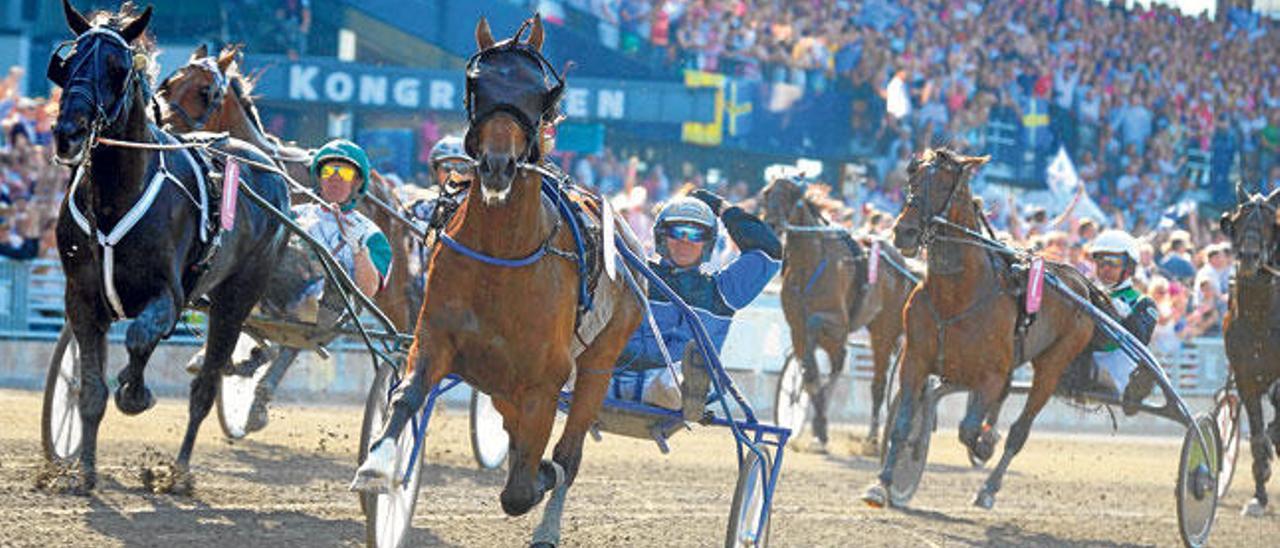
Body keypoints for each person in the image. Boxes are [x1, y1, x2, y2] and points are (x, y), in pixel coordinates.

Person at [609, 188, 781, 420]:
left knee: (676, 382)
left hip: (672, 388)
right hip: (609, 375)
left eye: (696, 234)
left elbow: (769, 251)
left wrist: (722, 209)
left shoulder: (722, 291)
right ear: (661, 235)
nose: (685, 241)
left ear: (708, 243)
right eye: (677, 231)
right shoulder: (633, 272)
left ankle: (690, 388)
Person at [1087, 229, 1159, 414]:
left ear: (1129, 267)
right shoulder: (1086, 295)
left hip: (1122, 382)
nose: (1105, 269)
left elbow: (1139, 341)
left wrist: (1122, 316)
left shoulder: (1143, 303)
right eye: (1100, 262)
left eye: (1113, 262)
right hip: (1087, 370)